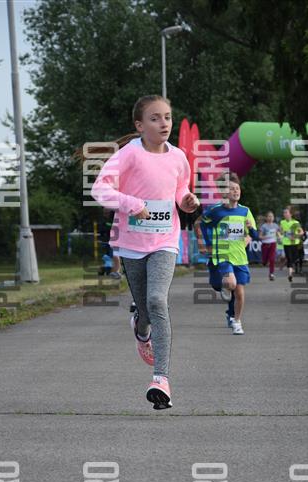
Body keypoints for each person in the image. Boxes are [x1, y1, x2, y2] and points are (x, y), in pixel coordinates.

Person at [91, 94, 199, 409]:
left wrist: (187, 201)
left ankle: (161, 379)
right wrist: (132, 204)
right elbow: (100, 189)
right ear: (140, 125)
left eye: (167, 117)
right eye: (155, 118)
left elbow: (180, 189)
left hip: (165, 241)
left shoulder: (178, 156)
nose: (163, 123)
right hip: (132, 244)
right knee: (145, 307)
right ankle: (141, 329)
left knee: (157, 300)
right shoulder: (129, 154)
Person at [196, 173, 258, 335]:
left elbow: (255, 235)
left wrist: (250, 229)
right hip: (222, 254)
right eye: (232, 189)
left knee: (240, 292)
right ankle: (225, 287)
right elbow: (202, 224)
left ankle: (236, 321)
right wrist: (207, 243)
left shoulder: (245, 211)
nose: (236, 191)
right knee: (230, 283)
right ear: (224, 192)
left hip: (240, 257)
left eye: (237, 188)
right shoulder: (215, 211)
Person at [280, 206, 304, 282]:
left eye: (286, 212)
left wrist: (295, 236)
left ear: (290, 214)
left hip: (295, 243)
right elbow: (281, 231)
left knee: (294, 258)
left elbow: (301, 232)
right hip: (286, 243)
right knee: (289, 258)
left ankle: (291, 267)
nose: (284, 214)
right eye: (284, 213)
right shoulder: (282, 222)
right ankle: (290, 274)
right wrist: (280, 235)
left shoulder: (295, 223)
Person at [259, 211, 281, 280]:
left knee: (272, 259)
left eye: (272, 216)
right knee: (264, 260)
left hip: (273, 243)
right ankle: (264, 262)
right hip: (265, 244)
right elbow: (260, 236)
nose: (270, 218)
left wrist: (279, 237)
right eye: (269, 216)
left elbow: (278, 233)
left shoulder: (275, 225)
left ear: (273, 218)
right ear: (266, 218)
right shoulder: (264, 226)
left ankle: (271, 274)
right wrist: (266, 236)